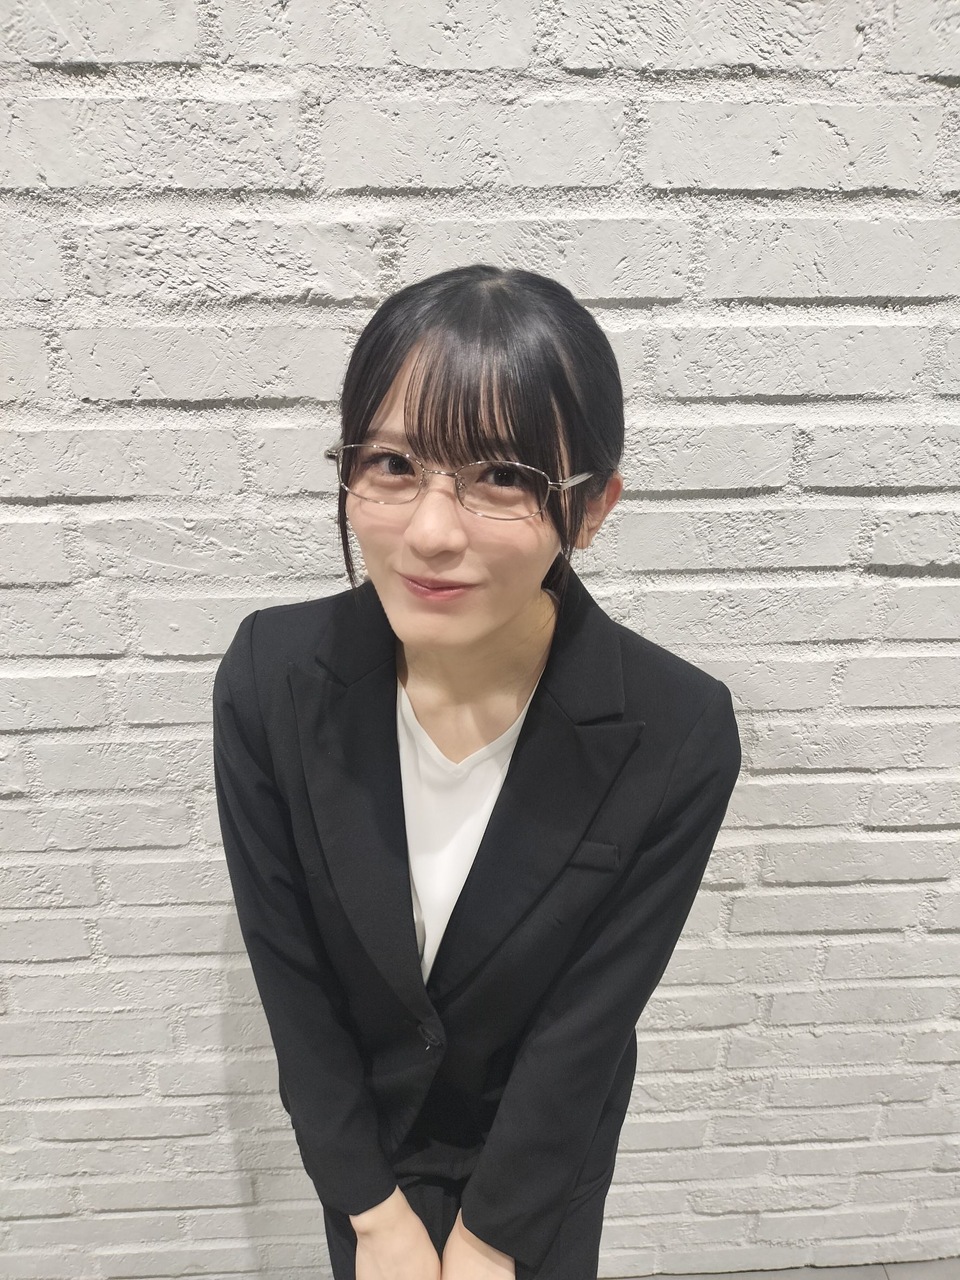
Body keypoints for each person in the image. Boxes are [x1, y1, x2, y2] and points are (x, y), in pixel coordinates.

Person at [212, 264, 742, 1280]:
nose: (430, 531)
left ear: (592, 507)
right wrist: (374, 1216)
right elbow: (295, 987)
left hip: (535, 1180)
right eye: (393, 463)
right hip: (364, 1170)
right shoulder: (269, 680)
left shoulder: (677, 731)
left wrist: (491, 1239)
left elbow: (588, 1025)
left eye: (501, 475)